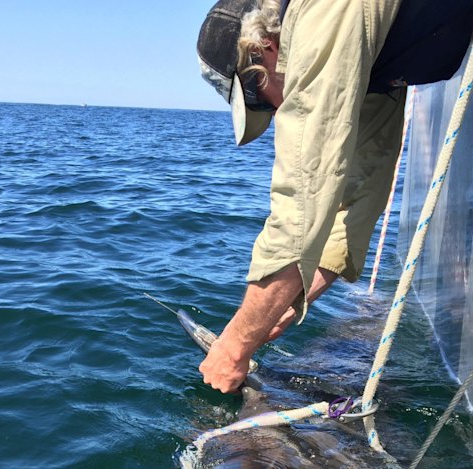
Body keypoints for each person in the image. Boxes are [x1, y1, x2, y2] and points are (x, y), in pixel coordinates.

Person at [196, 0, 473, 392]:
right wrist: (288, 301)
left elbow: (302, 197)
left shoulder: (322, 15)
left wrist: (234, 347)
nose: (274, 112)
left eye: (258, 98)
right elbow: (364, 190)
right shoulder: (361, 48)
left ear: (265, 50)